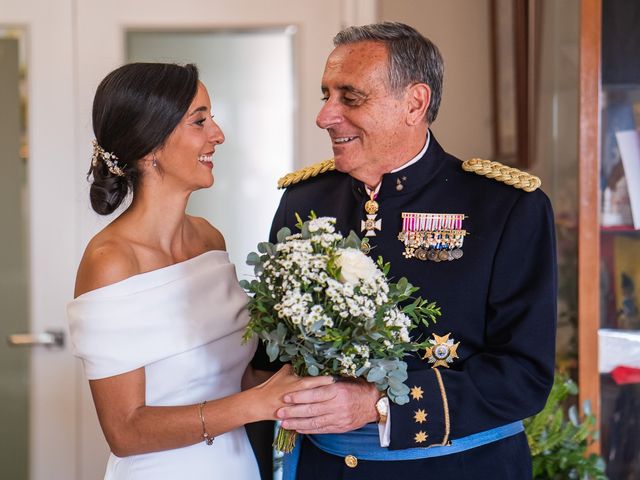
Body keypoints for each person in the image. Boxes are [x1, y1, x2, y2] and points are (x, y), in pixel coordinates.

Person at [254, 22, 557, 479]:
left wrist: (376, 404)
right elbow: (269, 360)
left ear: (415, 103)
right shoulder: (304, 201)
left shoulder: (506, 206)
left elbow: (524, 377)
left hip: (456, 468)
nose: (325, 116)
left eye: (350, 98)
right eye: (326, 96)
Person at [67, 62, 333, 480]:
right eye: (199, 121)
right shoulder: (111, 261)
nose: (218, 135)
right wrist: (257, 404)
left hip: (239, 465)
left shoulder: (210, 240)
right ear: (150, 146)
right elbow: (125, 431)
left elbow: (236, 374)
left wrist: (324, 365)